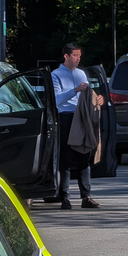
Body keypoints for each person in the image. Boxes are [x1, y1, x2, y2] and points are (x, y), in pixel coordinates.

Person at [51, 43, 103, 209]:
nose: (78, 59)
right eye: (75, 56)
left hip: (81, 117)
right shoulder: (56, 75)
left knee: (84, 155)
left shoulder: (81, 74)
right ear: (66, 56)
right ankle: (64, 197)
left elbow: (88, 95)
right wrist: (74, 90)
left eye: (79, 56)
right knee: (65, 158)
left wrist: (98, 99)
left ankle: (86, 196)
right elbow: (56, 100)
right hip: (66, 116)